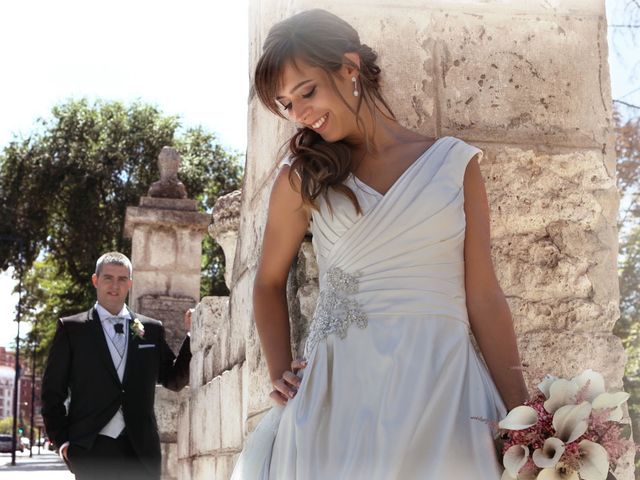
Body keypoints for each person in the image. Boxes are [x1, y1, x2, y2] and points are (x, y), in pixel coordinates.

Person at [232, 8, 530, 480]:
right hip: (339, 395)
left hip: (444, 386)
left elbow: (485, 295)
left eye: (306, 91)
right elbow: (267, 282)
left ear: (349, 68)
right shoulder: (302, 178)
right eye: (287, 104)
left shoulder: (454, 164)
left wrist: (525, 422)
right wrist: (278, 372)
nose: (300, 113)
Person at [41, 252, 191, 480]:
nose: (115, 285)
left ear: (130, 283)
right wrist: (63, 443)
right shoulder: (72, 330)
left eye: (122, 279)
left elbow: (174, 380)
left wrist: (192, 334)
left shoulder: (150, 329)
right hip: (90, 449)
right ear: (95, 280)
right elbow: (52, 394)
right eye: (108, 278)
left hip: (141, 452)